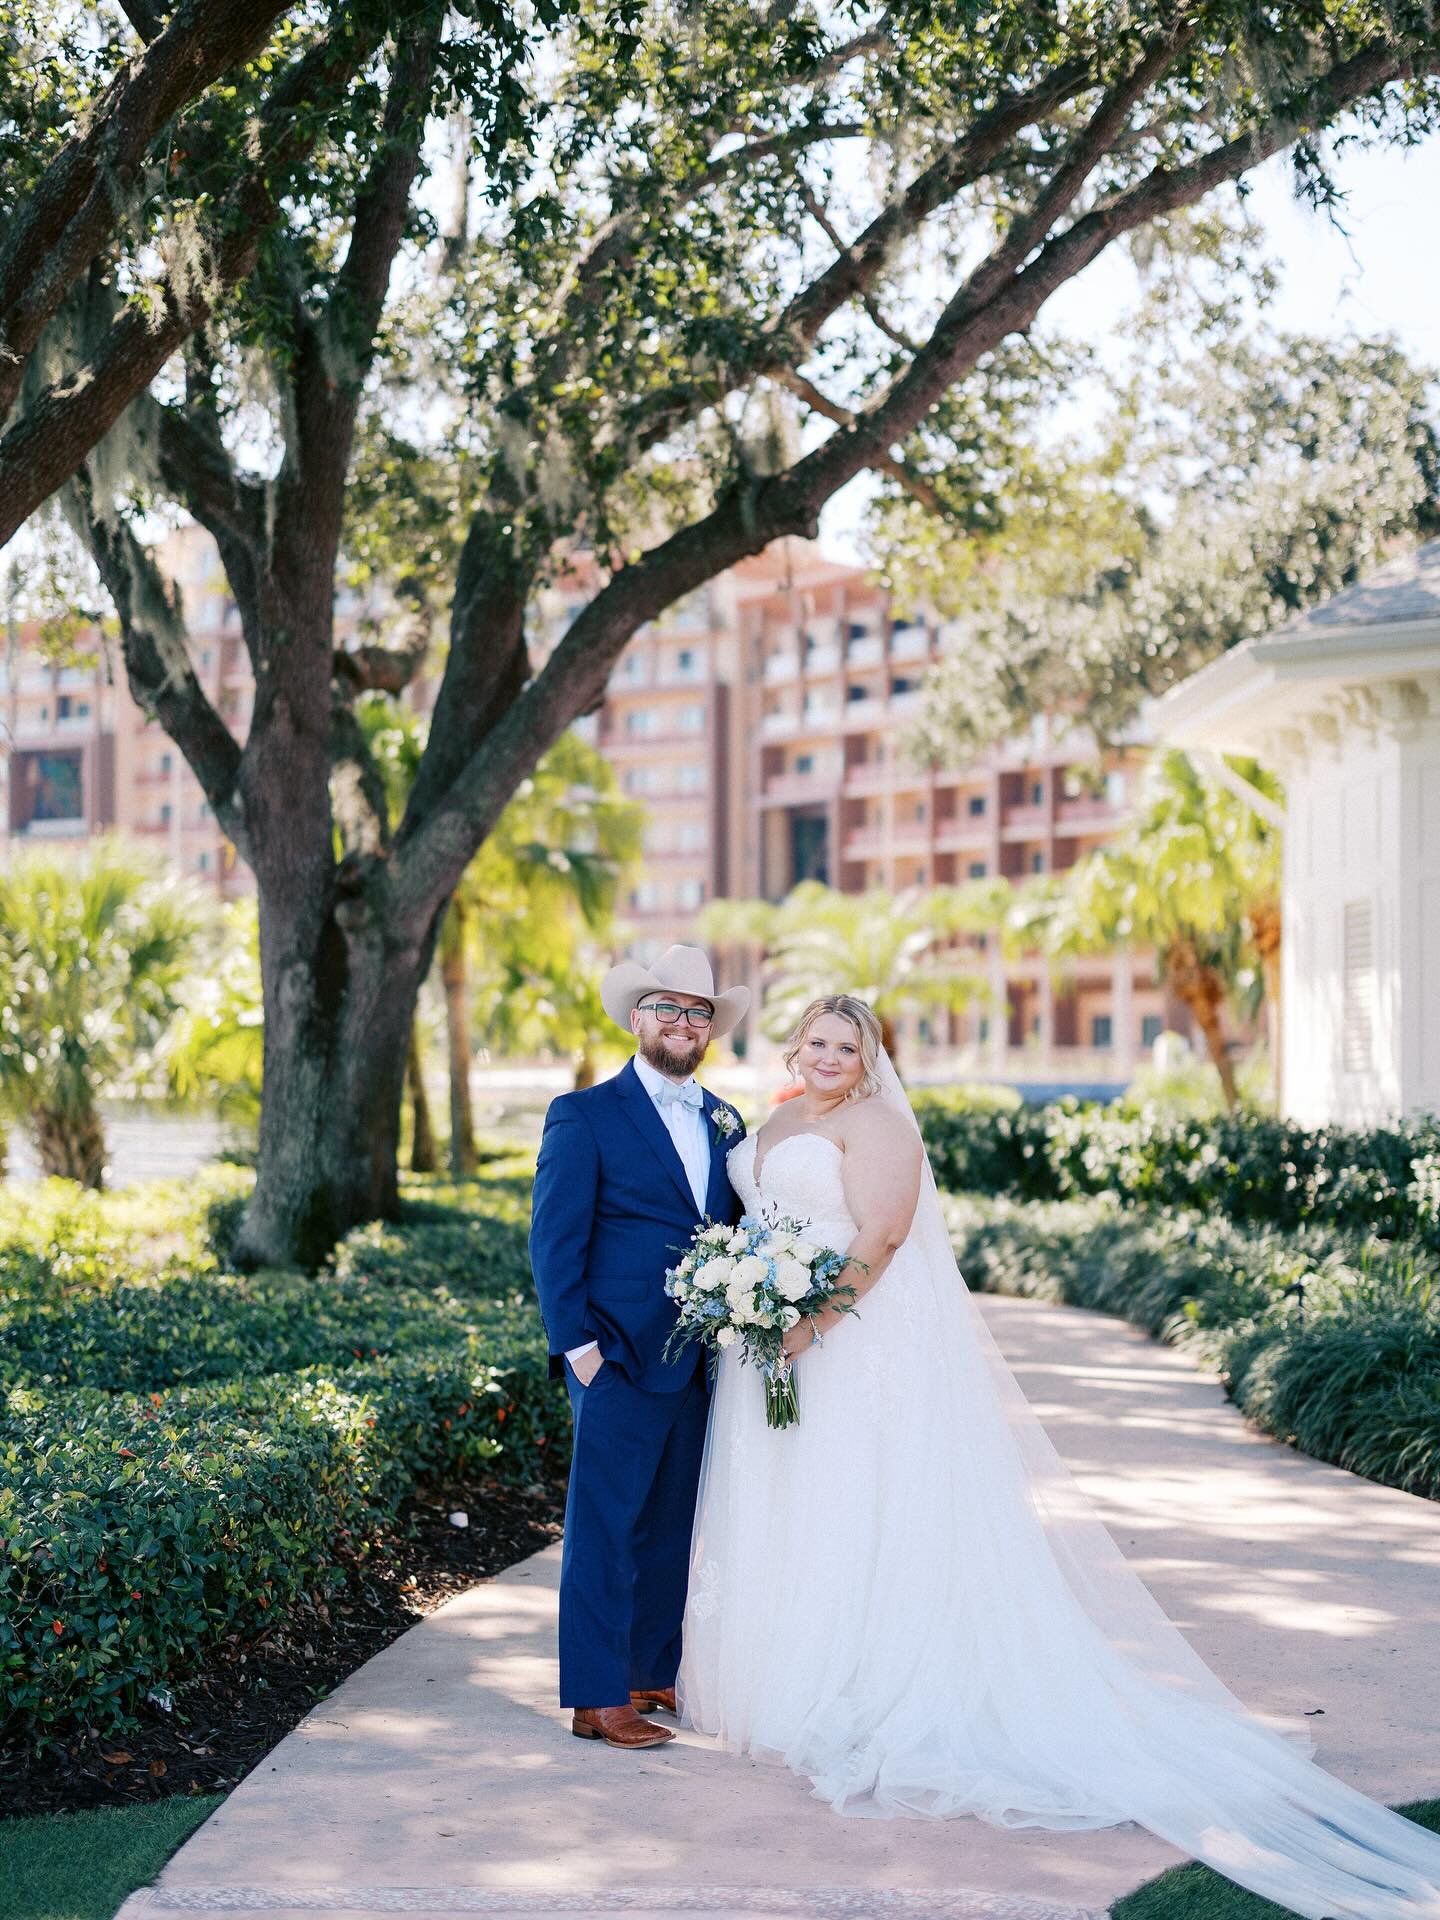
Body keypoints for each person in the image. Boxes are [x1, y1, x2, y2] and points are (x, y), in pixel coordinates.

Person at [679, 993, 1440, 1920]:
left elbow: (881, 1235)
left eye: (850, 1044)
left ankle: (856, 1688)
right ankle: (788, 1682)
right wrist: (752, 1303)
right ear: (797, 1046)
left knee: (857, 1504)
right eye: (818, 1041)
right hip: (776, 1349)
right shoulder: (781, 1116)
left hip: (848, 1347)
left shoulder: (881, 1128)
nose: (830, 1055)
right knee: (795, 1507)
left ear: (873, 1058)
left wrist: (808, 1322)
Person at [529, 944, 748, 1751]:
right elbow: (554, 1241)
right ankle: (596, 1695)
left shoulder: (726, 1120)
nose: (682, 1024)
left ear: (710, 1029)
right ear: (636, 1019)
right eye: (667, 1009)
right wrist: (577, 1348)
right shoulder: (582, 1114)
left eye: (697, 1012)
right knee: (605, 1524)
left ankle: (649, 1669)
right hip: (616, 1354)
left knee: (669, 1521)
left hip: (698, 1357)